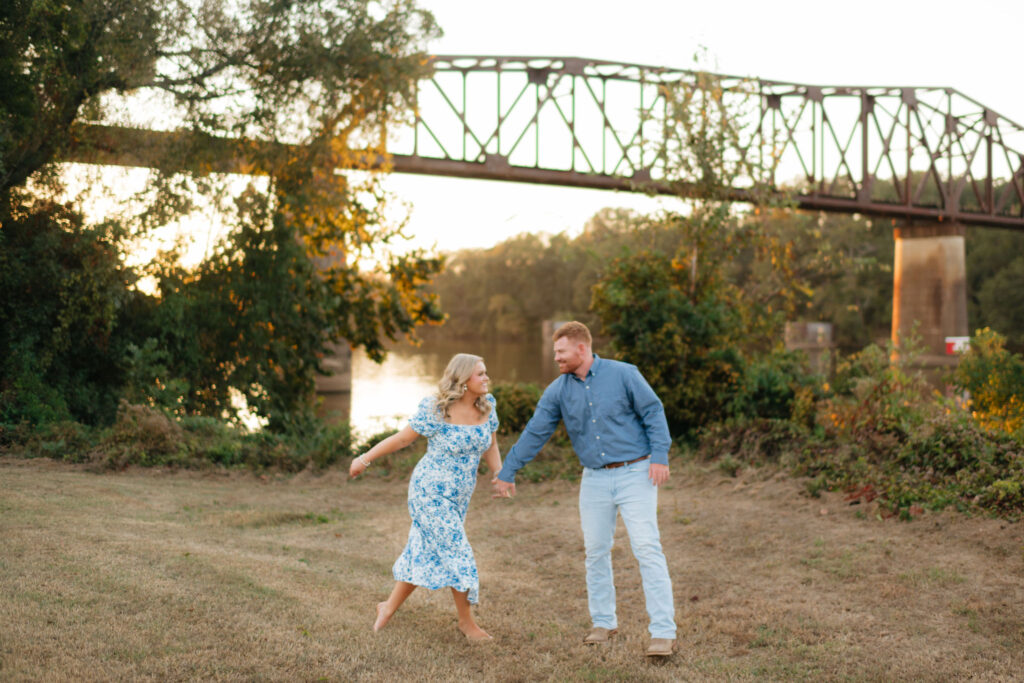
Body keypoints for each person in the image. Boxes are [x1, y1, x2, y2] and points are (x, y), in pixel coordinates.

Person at [491, 321, 677, 657]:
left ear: (581, 348)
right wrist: (507, 471)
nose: (556, 358)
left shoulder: (624, 374)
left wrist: (659, 456)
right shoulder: (558, 390)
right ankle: (603, 623)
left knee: (647, 548)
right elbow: (536, 432)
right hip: (593, 479)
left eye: (560, 352)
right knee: (595, 552)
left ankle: (663, 633)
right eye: (555, 353)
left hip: (636, 472)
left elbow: (653, 411)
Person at [349, 353, 503, 642]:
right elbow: (402, 439)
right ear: (463, 379)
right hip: (429, 492)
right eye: (480, 374)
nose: (486, 378)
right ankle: (466, 623)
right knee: (458, 552)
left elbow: (491, 444)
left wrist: (500, 475)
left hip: (458, 497)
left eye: (486, 373)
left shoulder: (487, 406)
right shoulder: (437, 409)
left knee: (423, 552)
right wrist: (365, 458)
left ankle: (387, 607)